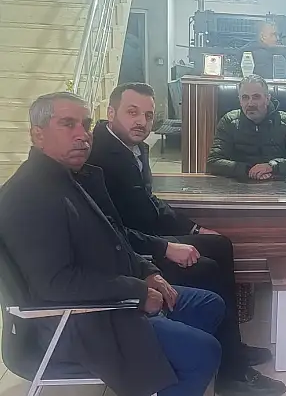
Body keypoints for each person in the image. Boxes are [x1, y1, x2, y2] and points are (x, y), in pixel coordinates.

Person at [0, 91, 225, 396]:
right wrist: (136, 291)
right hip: (78, 322)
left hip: (110, 298)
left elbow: (114, 237)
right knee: (204, 353)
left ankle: (164, 372)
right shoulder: (29, 196)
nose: (82, 135)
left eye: (86, 124)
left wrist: (146, 271)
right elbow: (55, 284)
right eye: (68, 124)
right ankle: (172, 363)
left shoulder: (72, 178)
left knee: (209, 305)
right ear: (37, 134)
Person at [87, 82, 286, 396]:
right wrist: (166, 247)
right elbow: (109, 232)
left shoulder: (133, 147)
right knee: (206, 268)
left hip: (147, 238)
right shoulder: (99, 156)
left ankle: (232, 347)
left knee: (220, 244)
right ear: (111, 113)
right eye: (132, 112)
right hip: (131, 254)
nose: (141, 121)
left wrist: (194, 230)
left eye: (148, 115)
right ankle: (232, 374)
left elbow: (149, 203)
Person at [206, 74, 286, 179]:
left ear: (267, 99)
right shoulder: (229, 121)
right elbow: (213, 163)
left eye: (256, 97)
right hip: (239, 185)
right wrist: (248, 170)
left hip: (278, 186)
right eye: (245, 97)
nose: (250, 103)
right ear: (240, 101)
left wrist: (273, 166)